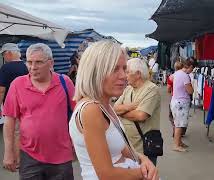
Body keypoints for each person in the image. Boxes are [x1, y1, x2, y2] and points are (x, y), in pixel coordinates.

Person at [69, 41, 158, 180]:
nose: (123, 76)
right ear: (95, 71)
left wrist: (143, 159)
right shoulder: (91, 109)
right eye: (114, 69)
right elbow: (107, 175)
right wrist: (144, 172)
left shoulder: (104, 105)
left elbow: (120, 147)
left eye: (124, 68)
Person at [2, 43, 75, 179]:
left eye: (39, 62)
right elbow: (9, 120)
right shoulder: (18, 84)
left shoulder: (65, 82)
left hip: (61, 156)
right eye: (29, 62)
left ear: (51, 63)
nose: (33, 67)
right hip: (29, 156)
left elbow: (78, 116)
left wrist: (78, 144)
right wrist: (8, 153)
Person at [114, 58, 161, 166]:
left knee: (145, 174)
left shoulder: (151, 89)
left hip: (144, 146)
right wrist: (129, 107)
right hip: (129, 145)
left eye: (127, 72)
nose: (125, 76)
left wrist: (122, 111)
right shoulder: (128, 89)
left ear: (138, 74)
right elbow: (114, 109)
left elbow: (141, 115)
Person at [0, 43, 28, 167]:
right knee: (23, 132)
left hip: (12, 106)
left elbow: (1, 89)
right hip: (27, 104)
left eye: (3, 54)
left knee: (15, 133)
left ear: (9, 53)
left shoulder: (6, 67)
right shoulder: (26, 65)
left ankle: (17, 161)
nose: (3, 57)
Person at [170, 59, 195, 152]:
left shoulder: (177, 73)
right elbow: (190, 91)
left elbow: (170, 78)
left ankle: (179, 142)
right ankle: (176, 145)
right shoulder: (185, 76)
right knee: (179, 125)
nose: (192, 71)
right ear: (190, 67)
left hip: (176, 101)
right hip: (181, 102)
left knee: (178, 123)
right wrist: (192, 88)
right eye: (192, 69)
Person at [167, 61, 183, 137]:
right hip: (183, 99)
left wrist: (171, 91)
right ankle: (180, 132)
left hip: (174, 98)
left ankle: (175, 129)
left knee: (172, 116)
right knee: (181, 116)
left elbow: (168, 89)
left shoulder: (171, 77)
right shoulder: (184, 76)